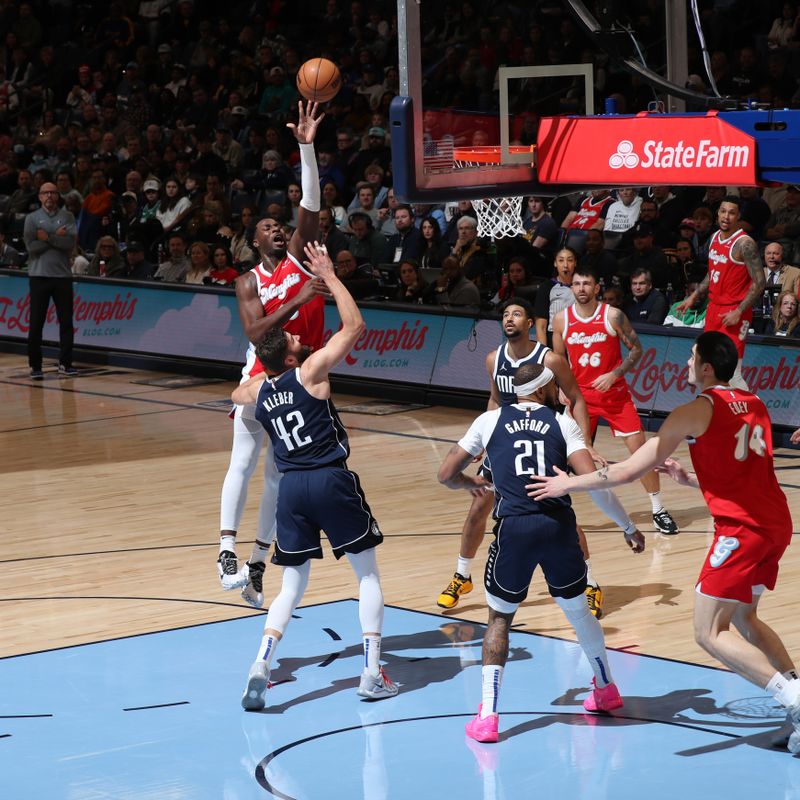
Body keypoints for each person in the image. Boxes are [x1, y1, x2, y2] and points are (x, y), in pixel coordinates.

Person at [528, 332, 800, 754]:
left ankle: (796, 700)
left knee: (708, 631)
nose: (686, 364)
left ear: (707, 368)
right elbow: (740, 474)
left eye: (692, 357)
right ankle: (794, 698)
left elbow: (627, 471)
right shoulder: (755, 402)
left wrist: (569, 483)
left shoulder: (694, 411)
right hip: (776, 523)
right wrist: (687, 478)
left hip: (743, 531)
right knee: (746, 620)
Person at [438, 362, 643, 743]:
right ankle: (605, 689)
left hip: (514, 529)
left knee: (499, 620)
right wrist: (627, 527)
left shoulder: (489, 421)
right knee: (579, 612)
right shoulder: (562, 423)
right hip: (557, 527)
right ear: (544, 387)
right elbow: (595, 485)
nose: (561, 393)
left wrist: (473, 483)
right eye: (556, 387)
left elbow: (446, 473)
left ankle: (488, 716)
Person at [233, 241, 398, 711]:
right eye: (292, 342)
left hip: (292, 491)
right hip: (329, 479)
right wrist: (331, 273)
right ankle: (371, 673)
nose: (300, 340)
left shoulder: (259, 391)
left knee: (291, 585)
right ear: (289, 359)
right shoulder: (309, 372)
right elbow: (356, 326)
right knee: (367, 575)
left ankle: (260, 664)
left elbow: (237, 389)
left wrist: (265, 374)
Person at [435, 297, 642, 620]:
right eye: (505, 314)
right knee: (478, 506)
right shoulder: (493, 359)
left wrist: (585, 444)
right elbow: (494, 399)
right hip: (507, 437)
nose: (509, 319)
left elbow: (576, 398)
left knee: (558, 509)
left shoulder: (551, 360)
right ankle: (462, 576)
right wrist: (485, 441)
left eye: (516, 314)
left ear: (530, 323)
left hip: (546, 438)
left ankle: (589, 583)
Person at [219, 101, 329, 609]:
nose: (277, 229)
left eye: (280, 225)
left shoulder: (303, 255)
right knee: (243, 461)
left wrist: (305, 145)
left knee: (279, 477)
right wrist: (298, 301)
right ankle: (225, 550)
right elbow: (255, 329)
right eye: (266, 226)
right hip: (262, 372)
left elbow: (311, 196)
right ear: (252, 239)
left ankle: (258, 562)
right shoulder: (248, 281)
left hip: (302, 375)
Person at [553, 266, 680, 535]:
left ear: (596, 287)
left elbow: (637, 349)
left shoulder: (612, 315)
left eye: (586, 283)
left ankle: (658, 509)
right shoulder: (561, 319)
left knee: (642, 454)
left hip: (615, 395)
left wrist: (614, 373)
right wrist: (560, 386)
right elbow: (557, 359)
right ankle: (550, 508)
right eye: (577, 284)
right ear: (571, 287)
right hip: (580, 396)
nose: (582, 288)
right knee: (562, 453)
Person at [676, 196, 765, 390]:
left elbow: (760, 282)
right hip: (713, 308)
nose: (726, 216)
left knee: (731, 374)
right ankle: (712, 410)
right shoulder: (715, 237)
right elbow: (712, 272)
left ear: (738, 216)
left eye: (732, 213)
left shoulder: (744, 244)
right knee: (705, 368)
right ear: (717, 213)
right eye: (723, 211)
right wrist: (693, 295)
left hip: (734, 312)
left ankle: (749, 412)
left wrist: (739, 311)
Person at [23, 181, 78, 379]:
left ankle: (65, 363)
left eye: (53, 193)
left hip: (63, 276)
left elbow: (69, 244)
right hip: (39, 276)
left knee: (66, 322)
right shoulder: (31, 218)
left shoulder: (68, 216)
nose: (49, 196)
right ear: (39, 196)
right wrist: (56, 237)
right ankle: (35, 366)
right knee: (36, 322)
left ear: (58, 196)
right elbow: (31, 247)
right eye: (45, 193)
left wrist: (46, 237)